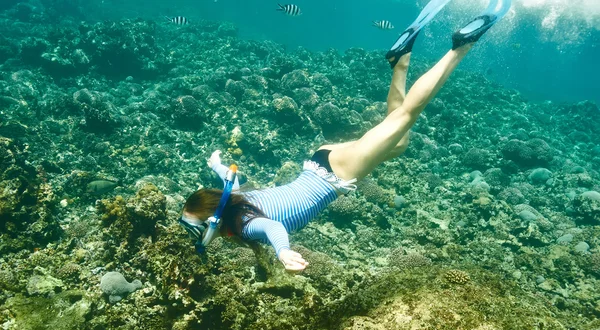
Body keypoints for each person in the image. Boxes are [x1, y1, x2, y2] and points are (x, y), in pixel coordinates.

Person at [179, 0, 512, 272]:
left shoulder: (245, 222)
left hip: (336, 173)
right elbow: (231, 185)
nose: (196, 234)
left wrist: (282, 252)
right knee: (400, 140)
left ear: (211, 220)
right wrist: (218, 166)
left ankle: (461, 47)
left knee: (408, 114)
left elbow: (273, 228)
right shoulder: (235, 203)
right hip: (320, 161)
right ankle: (401, 61)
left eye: (195, 227)